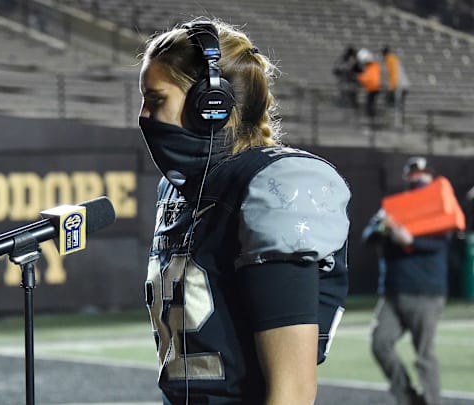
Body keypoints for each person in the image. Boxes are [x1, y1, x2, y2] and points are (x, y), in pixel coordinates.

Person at [138, 18, 352, 404]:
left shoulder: (275, 187)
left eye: (156, 100)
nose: (144, 115)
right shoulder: (180, 189)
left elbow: (293, 392)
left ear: (211, 104)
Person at [362, 156, 449, 405]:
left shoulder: (438, 206)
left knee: (424, 355)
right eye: (413, 174)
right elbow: (368, 235)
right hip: (393, 292)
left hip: (426, 292)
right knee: (380, 344)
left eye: (423, 174)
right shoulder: (393, 208)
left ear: (431, 178)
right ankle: (407, 398)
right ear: (406, 177)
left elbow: (443, 241)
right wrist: (385, 228)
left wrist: (411, 240)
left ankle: (432, 401)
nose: (418, 178)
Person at [382, 46, 411, 127]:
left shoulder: (390, 59)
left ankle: (398, 123)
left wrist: (392, 87)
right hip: (403, 84)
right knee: (399, 105)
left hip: (399, 85)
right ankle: (399, 122)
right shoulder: (393, 59)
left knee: (398, 105)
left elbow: (394, 74)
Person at [356, 48, 382, 118]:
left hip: (373, 88)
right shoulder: (372, 66)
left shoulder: (373, 67)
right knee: (369, 105)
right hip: (372, 88)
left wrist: (360, 77)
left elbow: (370, 79)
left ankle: (372, 119)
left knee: (370, 105)